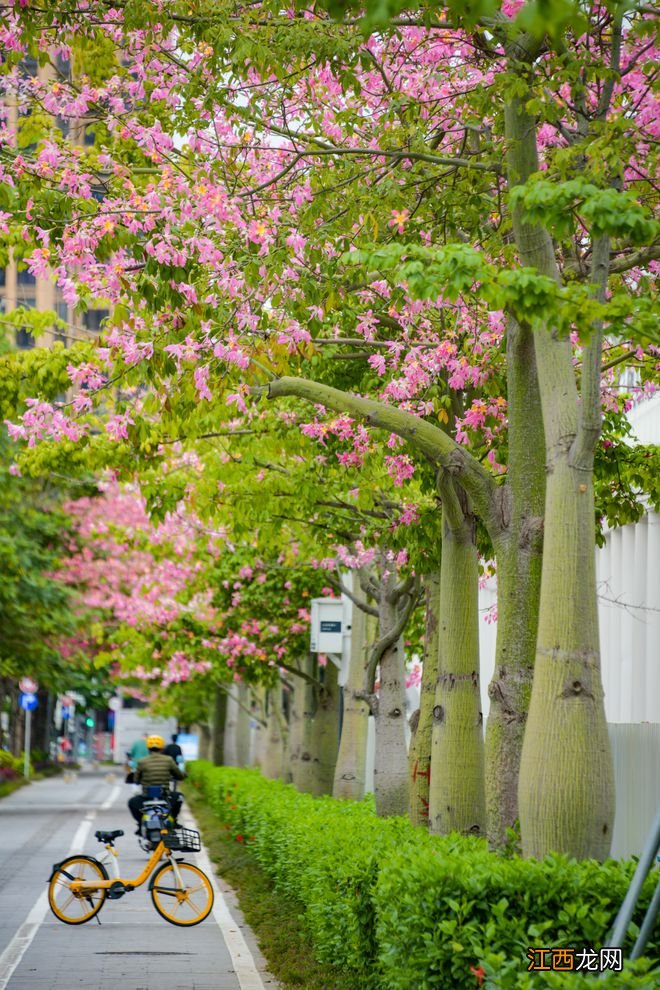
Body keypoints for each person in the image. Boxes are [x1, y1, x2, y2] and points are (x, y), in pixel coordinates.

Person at [127, 734, 185, 833]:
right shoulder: (169, 760)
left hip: (146, 797)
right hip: (165, 797)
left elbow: (136, 780)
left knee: (132, 802)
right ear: (162, 747)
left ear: (148, 747)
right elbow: (179, 775)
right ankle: (174, 821)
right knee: (179, 797)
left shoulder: (142, 761)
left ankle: (141, 826)